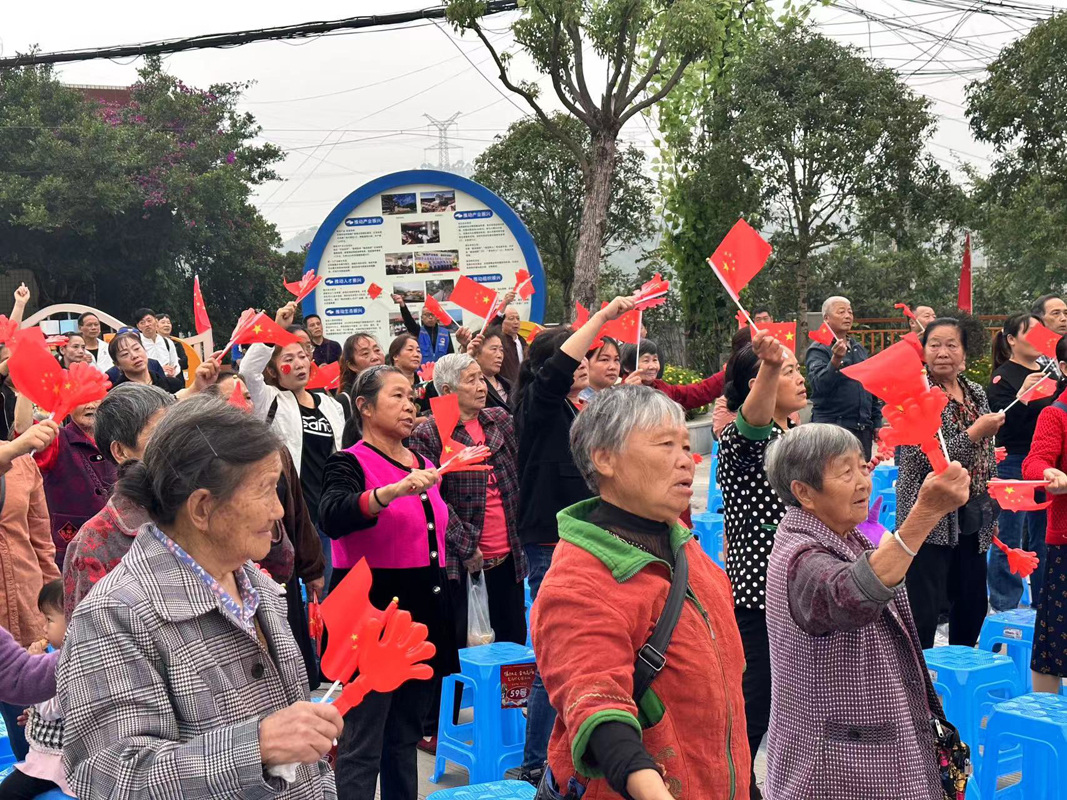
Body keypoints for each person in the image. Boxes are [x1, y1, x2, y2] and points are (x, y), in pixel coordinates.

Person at [58, 397, 341, 799]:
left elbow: (305, 763)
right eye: (265, 491)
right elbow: (110, 778)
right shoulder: (115, 615)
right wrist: (255, 748)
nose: (279, 510)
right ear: (203, 508)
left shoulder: (256, 587)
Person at [533, 385, 750, 799]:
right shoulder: (578, 581)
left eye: (685, 445)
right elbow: (599, 707)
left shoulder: (686, 548)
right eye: (665, 444)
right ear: (605, 459)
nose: (685, 459)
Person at [763, 424, 972, 800]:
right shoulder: (800, 555)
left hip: (870, 749)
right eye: (846, 472)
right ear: (804, 492)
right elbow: (850, 596)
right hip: (834, 766)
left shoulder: (849, 534)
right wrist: (925, 512)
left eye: (862, 467)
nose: (863, 482)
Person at [319, 366, 457, 800]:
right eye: (396, 396)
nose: (409, 405)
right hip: (373, 616)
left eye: (411, 397)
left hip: (423, 612)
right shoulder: (349, 461)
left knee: (404, 736)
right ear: (364, 406)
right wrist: (389, 493)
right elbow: (333, 515)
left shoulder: (425, 464)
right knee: (363, 741)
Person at [514, 296, 635, 785]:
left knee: (583, 651)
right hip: (549, 540)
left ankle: (565, 751)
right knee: (555, 656)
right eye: (578, 356)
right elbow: (557, 370)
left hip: (581, 537)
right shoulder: (539, 406)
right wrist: (602, 318)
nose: (584, 363)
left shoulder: (574, 408)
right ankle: (534, 764)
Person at [717, 329, 807, 799]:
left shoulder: (790, 436)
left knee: (789, 708)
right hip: (759, 598)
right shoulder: (744, 439)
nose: (800, 378)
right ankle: (734, 788)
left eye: (793, 368)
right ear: (759, 384)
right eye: (788, 371)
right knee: (752, 710)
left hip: (796, 595)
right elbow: (750, 429)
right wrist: (771, 364)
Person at [897, 318, 1003, 649]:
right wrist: (974, 432)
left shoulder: (975, 392)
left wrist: (992, 508)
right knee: (925, 607)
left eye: (951, 345)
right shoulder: (916, 395)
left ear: (964, 354)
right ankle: (920, 672)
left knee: (972, 602)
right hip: (930, 516)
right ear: (924, 352)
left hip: (973, 513)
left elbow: (987, 454)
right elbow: (924, 458)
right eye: (934, 345)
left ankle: (960, 665)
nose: (943, 352)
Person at [410, 353, 528, 646]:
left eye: (481, 378)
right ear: (447, 390)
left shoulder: (499, 420)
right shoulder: (429, 433)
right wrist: (466, 546)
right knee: (468, 644)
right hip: (463, 559)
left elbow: (520, 472)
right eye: (471, 380)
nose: (481, 386)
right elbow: (430, 496)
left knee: (513, 641)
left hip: (510, 553)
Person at [241, 302, 345, 596]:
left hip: (329, 514)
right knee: (300, 592)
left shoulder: (331, 405)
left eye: (303, 356)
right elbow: (248, 370)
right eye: (288, 359)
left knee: (330, 591)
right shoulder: (270, 400)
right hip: (293, 513)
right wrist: (276, 329)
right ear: (274, 371)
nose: (299, 363)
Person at [62, 383, 174, 619]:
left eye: (180, 432)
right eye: (160, 436)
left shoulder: (200, 508)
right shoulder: (94, 544)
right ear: (121, 452)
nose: (177, 446)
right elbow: (89, 633)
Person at [0, 422, 61, 761]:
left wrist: (57, 609)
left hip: (26, 610)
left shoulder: (24, 464)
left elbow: (41, 543)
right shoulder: (16, 452)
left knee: (28, 731)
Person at [987, 312, 1053, 611]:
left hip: (1048, 463)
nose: (1039, 339)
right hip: (1014, 462)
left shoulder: (1052, 372)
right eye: (1031, 332)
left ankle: (1045, 603)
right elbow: (1000, 427)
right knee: (1010, 537)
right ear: (1011, 339)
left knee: (1046, 537)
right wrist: (1023, 397)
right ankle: (1005, 608)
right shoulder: (1003, 378)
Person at [13, 395, 116, 569]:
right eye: (82, 400)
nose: (90, 405)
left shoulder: (117, 439)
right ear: (68, 407)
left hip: (115, 545)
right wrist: (26, 390)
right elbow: (24, 430)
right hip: (70, 548)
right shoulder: (57, 440)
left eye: (96, 399)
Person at [1023, 335, 1067, 694]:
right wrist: (1048, 473)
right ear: (1065, 368)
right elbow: (1034, 461)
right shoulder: (1056, 414)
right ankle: (1044, 713)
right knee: (1054, 637)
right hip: (1065, 540)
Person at [0, 580, 72, 799]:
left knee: (7, 793)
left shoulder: (70, 663)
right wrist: (33, 715)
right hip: (56, 759)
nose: (44, 628)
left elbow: (51, 709)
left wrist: (35, 662)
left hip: (57, 763)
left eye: (49, 620)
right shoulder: (58, 656)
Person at [806, 296, 882, 456]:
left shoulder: (857, 348)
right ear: (826, 318)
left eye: (850, 312)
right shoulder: (819, 349)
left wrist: (876, 421)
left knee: (861, 470)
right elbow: (819, 385)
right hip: (833, 428)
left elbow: (869, 386)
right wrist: (835, 360)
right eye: (841, 312)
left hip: (862, 429)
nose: (847, 316)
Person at [621, 340, 726, 412]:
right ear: (627, 367)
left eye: (655, 360)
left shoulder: (661, 387)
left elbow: (700, 392)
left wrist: (728, 372)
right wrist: (628, 394)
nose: (653, 366)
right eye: (646, 360)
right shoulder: (618, 395)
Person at [393, 294, 470, 364]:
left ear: (437, 317)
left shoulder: (445, 333)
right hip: (421, 371)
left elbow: (450, 355)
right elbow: (408, 320)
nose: (430, 317)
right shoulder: (417, 331)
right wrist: (402, 305)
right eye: (427, 315)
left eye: (432, 314)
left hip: (440, 371)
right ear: (422, 318)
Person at [105, 331, 183, 393]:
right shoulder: (117, 395)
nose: (134, 355)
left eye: (136, 349)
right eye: (125, 354)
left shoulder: (172, 385)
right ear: (117, 364)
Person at [131, 307, 182, 379]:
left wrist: (173, 372)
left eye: (149, 321)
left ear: (156, 321)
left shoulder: (167, 342)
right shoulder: (136, 344)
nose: (147, 324)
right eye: (142, 323)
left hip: (168, 380)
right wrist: (160, 370)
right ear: (138, 327)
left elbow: (175, 364)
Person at [470, 327, 511, 410]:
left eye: (501, 350)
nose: (499, 355)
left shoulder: (510, 385)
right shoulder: (471, 388)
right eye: (494, 349)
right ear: (476, 353)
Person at [338, 332, 385, 399]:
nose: (375, 357)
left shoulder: (395, 386)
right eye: (365, 353)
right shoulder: (345, 399)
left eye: (377, 350)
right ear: (352, 365)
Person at [498, 300, 527, 386]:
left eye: (518, 319)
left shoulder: (522, 342)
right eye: (511, 319)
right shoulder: (500, 342)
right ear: (502, 322)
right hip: (507, 386)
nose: (516, 322)